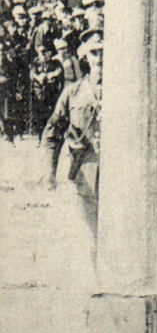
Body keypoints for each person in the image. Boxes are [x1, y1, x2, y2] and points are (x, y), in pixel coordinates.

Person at [41, 33, 102, 231]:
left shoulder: (126, 92)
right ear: (85, 57)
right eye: (94, 53)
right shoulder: (73, 92)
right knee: (89, 234)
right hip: (84, 174)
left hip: (118, 177)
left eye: (104, 53)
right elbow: (52, 133)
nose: (100, 59)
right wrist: (50, 172)